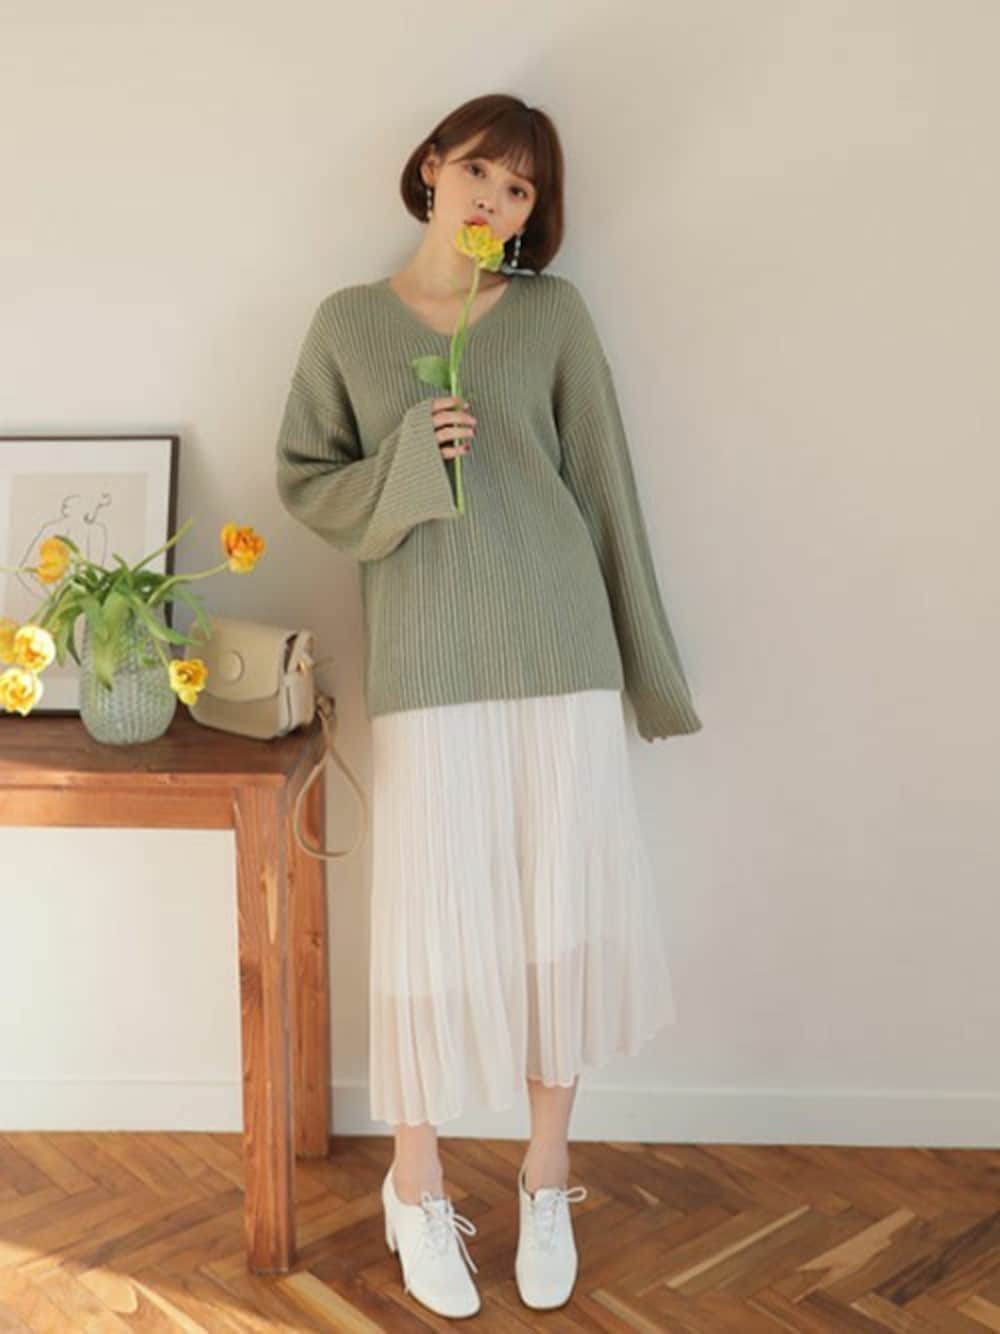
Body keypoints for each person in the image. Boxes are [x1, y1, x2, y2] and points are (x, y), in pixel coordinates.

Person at [275, 92, 703, 1319]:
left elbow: (606, 487)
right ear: (431, 167)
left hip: (559, 648)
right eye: (479, 171)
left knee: (560, 915)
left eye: (520, 191)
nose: (494, 201)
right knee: (429, 923)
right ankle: (414, 1182)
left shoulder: (553, 315)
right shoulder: (347, 322)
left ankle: (546, 1173)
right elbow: (306, 479)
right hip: (428, 659)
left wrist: (647, 669)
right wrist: (411, 458)